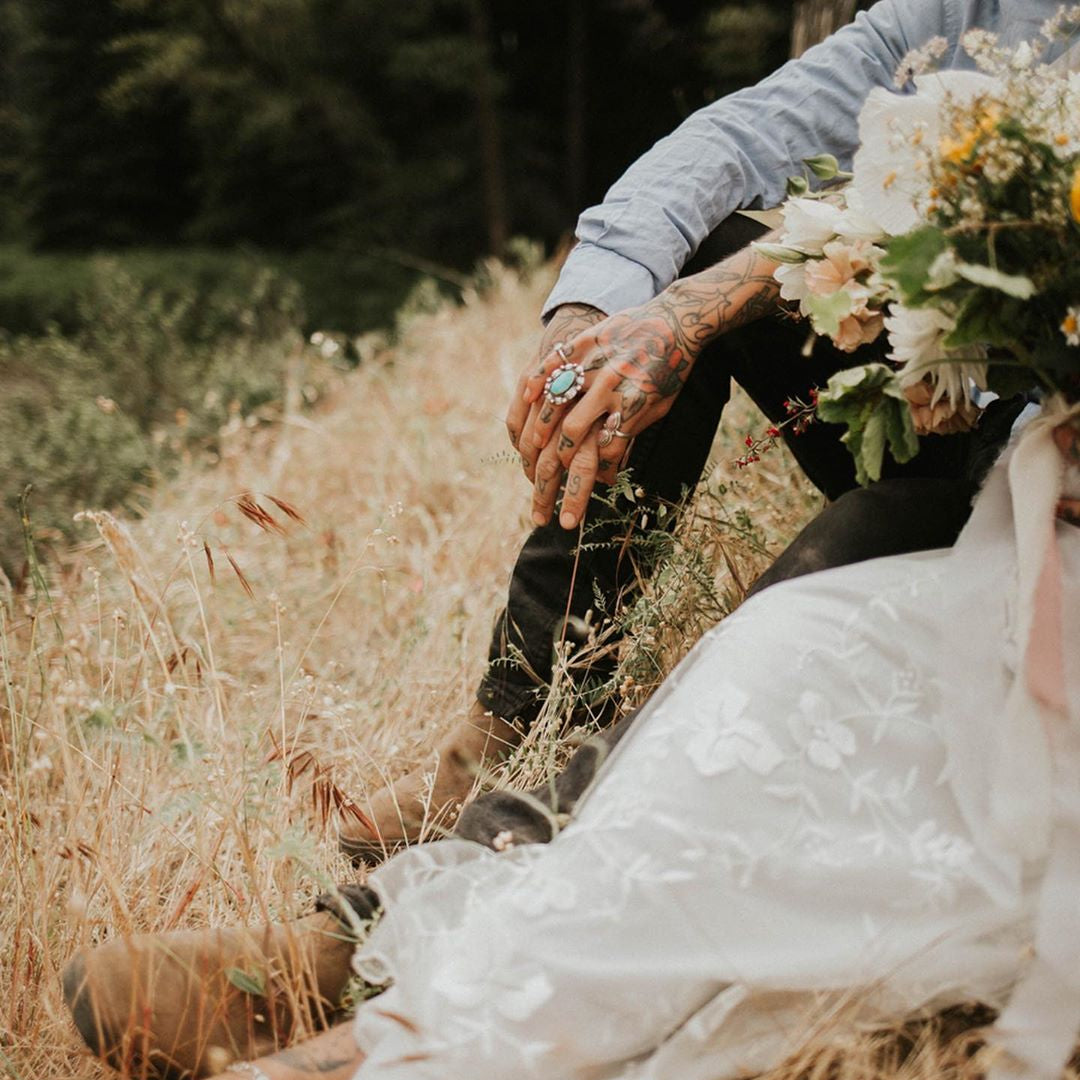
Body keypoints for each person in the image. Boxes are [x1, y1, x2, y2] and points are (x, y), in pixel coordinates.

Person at [339, 0, 1065, 861]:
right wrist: (592, 308)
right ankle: (526, 710)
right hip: (939, 393)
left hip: (1051, 456)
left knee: (856, 538)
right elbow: (748, 133)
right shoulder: (975, 9)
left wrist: (698, 310)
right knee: (684, 250)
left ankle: (600, 793)